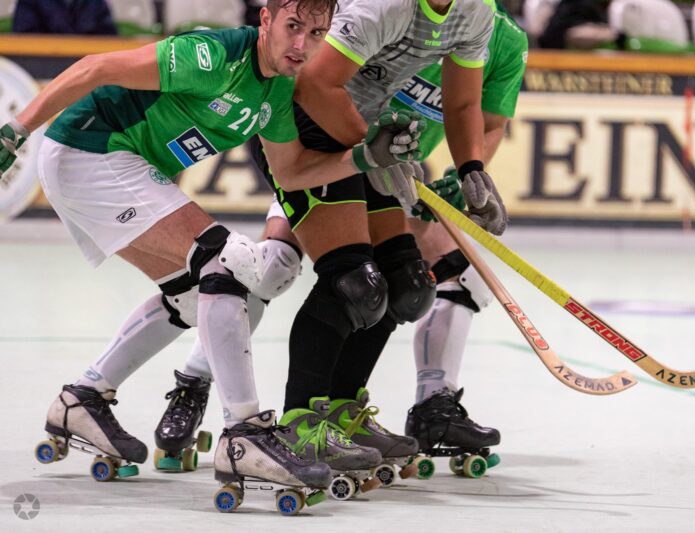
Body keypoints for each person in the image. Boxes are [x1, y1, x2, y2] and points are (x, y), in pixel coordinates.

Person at [1, 0, 421, 503]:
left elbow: (292, 173)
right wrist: (15, 131)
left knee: (188, 298)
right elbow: (95, 68)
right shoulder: (211, 57)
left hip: (119, 164)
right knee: (226, 266)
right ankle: (244, 434)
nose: (301, 45)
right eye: (292, 26)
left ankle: (83, 398)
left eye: (316, 34)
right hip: (91, 151)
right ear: (265, 20)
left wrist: (364, 157)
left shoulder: (277, 89)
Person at [256, 0, 509, 495]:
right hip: (302, 125)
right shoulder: (385, 6)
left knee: (405, 285)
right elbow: (312, 85)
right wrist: (372, 153)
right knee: (352, 283)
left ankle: (342, 413)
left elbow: (463, 106)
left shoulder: (476, 12)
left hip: (365, 130)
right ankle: (300, 424)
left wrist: (472, 170)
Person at [397, 2, 528, 473]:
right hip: (337, 151)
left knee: (462, 273)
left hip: (405, 171)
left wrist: (461, 176)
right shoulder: (399, 10)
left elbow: (489, 124)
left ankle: (434, 408)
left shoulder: (506, 39)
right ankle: (200, 382)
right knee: (271, 266)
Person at [12, 0, 117, 35]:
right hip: (42, 65)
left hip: (85, 64)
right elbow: (23, 35)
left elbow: (109, 38)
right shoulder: (30, 1)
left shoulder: (95, 2)